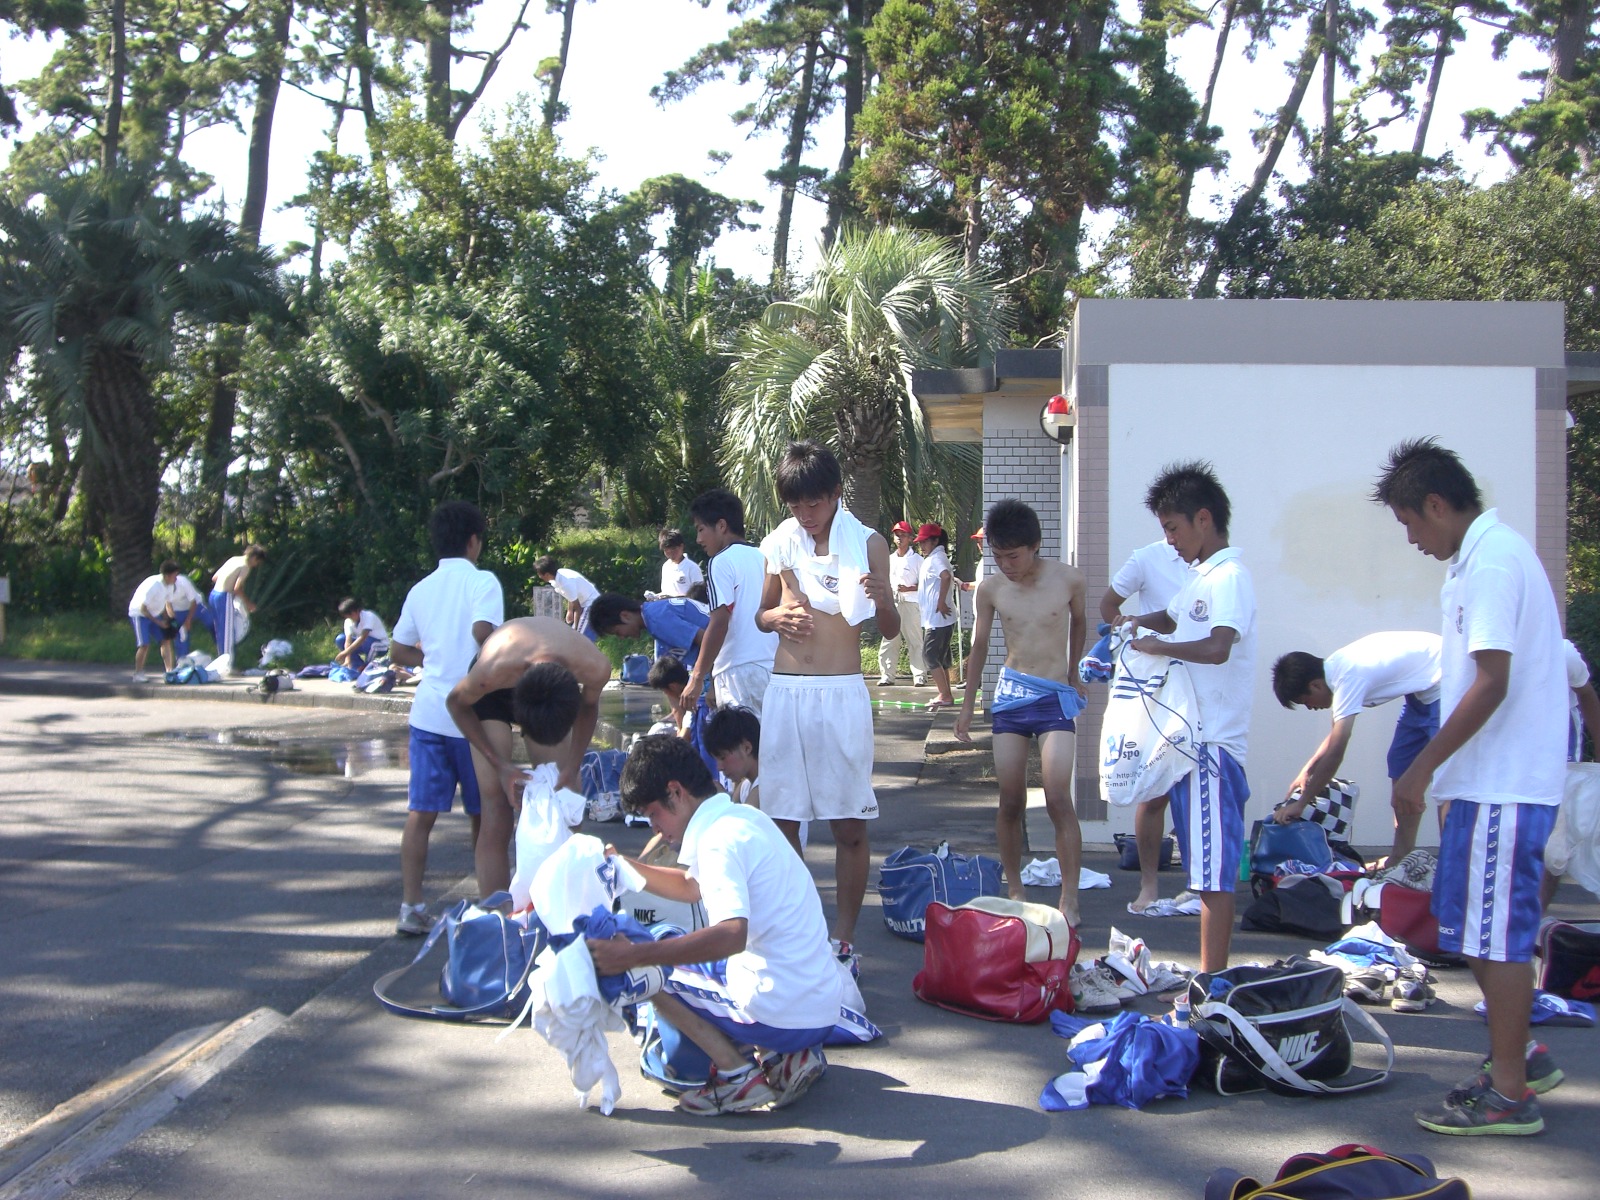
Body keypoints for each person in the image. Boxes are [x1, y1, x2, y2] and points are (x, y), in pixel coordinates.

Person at [1374, 437, 1566, 1137]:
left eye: (1410, 524)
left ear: (1435, 504)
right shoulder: (1484, 557)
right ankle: (1522, 1057)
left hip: (1505, 785)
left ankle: (1510, 1093)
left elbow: (1492, 680)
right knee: (1479, 934)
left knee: (1498, 940)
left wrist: (1423, 769)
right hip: (1489, 783)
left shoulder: (1491, 562)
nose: (1412, 540)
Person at [586, 735, 843, 1116]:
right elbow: (693, 888)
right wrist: (626, 866)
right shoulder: (742, 818)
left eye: (653, 813)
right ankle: (784, 1058)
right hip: (819, 1004)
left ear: (676, 792)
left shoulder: (719, 840)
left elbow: (731, 934)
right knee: (686, 951)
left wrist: (634, 955)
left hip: (788, 1011)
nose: (655, 827)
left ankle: (736, 1077)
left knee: (648, 967)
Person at [756, 440, 897, 962]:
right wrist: (774, 619)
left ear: (836, 494)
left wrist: (884, 600)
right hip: (786, 691)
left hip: (840, 693)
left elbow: (888, 627)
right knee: (783, 820)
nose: (805, 515)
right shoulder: (780, 542)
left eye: (813, 504)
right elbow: (761, 613)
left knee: (848, 823)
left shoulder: (869, 543)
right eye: (795, 506)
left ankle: (845, 939)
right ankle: (800, 930)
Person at [1118, 462, 1256, 975]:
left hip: (1212, 747)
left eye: (1172, 528)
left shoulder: (1231, 578)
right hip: (1190, 745)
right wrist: (1133, 623)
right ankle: (1209, 980)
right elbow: (1172, 616)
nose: (1169, 541)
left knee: (1214, 876)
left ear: (1203, 519)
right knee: (1203, 872)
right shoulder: (1203, 578)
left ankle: (1211, 984)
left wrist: (1159, 644)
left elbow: (1219, 646)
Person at [954, 500, 1088, 926]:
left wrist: (1074, 671)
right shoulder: (992, 588)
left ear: (1034, 546)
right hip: (1011, 696)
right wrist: (968, 704)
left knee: (1057, 796)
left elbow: (1080, 623)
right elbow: (978, 646)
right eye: (998, 555)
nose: (1006, 564)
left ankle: (1070, 897)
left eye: (1013, 555)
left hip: (1052, 696)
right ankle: (1015, 890)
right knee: (1009, 799)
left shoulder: (1068, 579)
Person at [387, 503, 505, 934]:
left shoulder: (421, 589)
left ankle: (411, 907)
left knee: (421, 814)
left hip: (428, 715)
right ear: (473, 541)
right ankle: (488, 908)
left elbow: (398, 651)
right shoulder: (482, 581)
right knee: (485, 815)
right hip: (473, 715)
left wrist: (432, 657)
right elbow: (483, 632)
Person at [444, 616, 613, 897]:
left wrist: (573, 764)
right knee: (496, 804)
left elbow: (589, 706)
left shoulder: (595, 666)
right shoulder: (490, 672)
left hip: (544, 682)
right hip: (492, 693)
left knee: (565, 794)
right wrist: (500, 766)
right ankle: (497, 914)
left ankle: (564, 903)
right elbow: (456, 704)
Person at [1271, 632, 1443, 863]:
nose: (1311, 708)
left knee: (1446, 779)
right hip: (1420, 695)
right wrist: (1308, 769)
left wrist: (1301, 804)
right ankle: (1401, 857)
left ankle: (1454, 863)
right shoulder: (1335, 670)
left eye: (1306, 701)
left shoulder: (1348, 677)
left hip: (1444, 683)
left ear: (1315, 684)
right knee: (1400, 767)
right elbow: (1335, 735)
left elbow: (1337, 750)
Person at [1101, 537, 1192, 913]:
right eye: (1167, 526)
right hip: (1155, 685)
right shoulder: (1146, 558)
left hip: (1200, 680)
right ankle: (1149, 885)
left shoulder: (1213, 566)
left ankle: (1196, 885)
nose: (1174, 536)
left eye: (1176, 526)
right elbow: (1109, 605)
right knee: (1153, 788)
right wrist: (1127, 633)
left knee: (1194, 790)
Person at [683, 488, 777, 717]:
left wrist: (697, 678)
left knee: (741, 749)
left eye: (701, 529)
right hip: (774, 669)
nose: (698, 539)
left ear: (722, 526)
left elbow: (720, 622)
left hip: (739, 674)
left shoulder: (720, 562)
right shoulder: (765, 557)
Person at [1540, 638, 1600, 908]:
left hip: (1560, 734)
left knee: (1555, 839)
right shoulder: (1487, 651)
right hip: (1517, 738)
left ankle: (1534, 921)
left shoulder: (1561, 651)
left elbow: (1586, 696)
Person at [588, 592, 710, 669]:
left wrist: (699, 678)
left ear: (625, 616)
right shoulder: (653, 613)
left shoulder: (657, 620)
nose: (621, 637)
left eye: (617, 632)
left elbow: (707, 640)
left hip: (726, 647)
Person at [646, 656, 721, 780]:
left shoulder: (695, 701)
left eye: (665, 691)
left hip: (711, 765)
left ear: (673, 686)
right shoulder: (699, 679)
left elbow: (684, 737)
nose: (666, 695)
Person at [914, 523, 957, 712]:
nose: (922, 546)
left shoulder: (936, 558)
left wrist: (940, 602)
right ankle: (946, 693)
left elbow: (946, 577)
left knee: (929, 656)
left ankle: (945, 694)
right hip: (938, 618)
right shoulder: (935, 557)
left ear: (935, 541)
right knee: (940, 658)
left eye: (925, 542)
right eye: (920, 542)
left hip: (937, 618)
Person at [877, 520, 926, 687]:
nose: (899, 538)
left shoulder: (918, 560)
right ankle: (887, 675)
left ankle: (919, 675)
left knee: (915, 641)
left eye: (903, 535)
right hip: (892, 604)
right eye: (897, 535)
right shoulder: (889, 559)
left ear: (910, 538)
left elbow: (926, 584)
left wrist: (909, 588)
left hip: (911, 603)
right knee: (889, 640)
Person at [209, 544, 265, 664]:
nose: (256, 565)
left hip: (214, 594)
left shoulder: (233, 559)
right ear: (254, 558)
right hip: (225, 596)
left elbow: (215, 577)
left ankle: (221, 662)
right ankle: (227, 665)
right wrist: (248, 603)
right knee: (228, 633)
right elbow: (237, 588)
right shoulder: (245, 566)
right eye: (258, 562)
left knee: (220, 630)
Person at [127, 560, 180, 681]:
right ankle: (138, 674)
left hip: (155, 613)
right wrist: (159, 622)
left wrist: (170, 621)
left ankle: (169, 671)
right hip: (139, 614)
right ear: (167, 576)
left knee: (165, 640)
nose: (176, 579)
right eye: (175, 576)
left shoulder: (170, 585)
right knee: (144, 644)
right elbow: (143, 609)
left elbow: (167, 603)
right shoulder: (154, 585)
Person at [703, 704, 761, 808]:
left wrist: (722, 798)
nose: (719, 767)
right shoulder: (745, 787)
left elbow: (742, 822)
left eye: (723, 757)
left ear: (746, 748)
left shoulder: (765, 787)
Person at [534, 556, 600, 642]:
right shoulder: (557, 577)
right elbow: (572, 596)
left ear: (546, 574)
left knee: (580, 639)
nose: (539, 576)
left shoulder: (565, 583)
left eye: (539, 574)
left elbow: (578, 609)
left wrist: (576, 629)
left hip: (591, 604)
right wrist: (569, 611)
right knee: (576, 639)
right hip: (584, 604)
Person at [334, 597, 390, 671]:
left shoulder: (369, 616)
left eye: (351, 615)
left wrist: (345, 652)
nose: (350, 618)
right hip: (364, 644)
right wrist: (347, 658)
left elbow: (363, 637)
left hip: (380, 645)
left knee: (367, 641)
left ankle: (368, 666)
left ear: (357, 611)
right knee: (340, 639)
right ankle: (357, 666)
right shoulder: (348, 621)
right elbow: (348, 641)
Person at [169, 568, 206, 660]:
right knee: (180, 634)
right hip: (178, 610)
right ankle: (182, 661)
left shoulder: (183, 582)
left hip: (197, 605)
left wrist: (188, 620)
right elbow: (168, 606)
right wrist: (175, 624)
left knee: (210, 622)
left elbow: (193, 603)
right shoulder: (163, 588)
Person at [659, 528, 705, 598]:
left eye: (673, 549)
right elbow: (664, 591)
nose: (671, 553)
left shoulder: (692, 568)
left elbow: (699, 595)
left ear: (681, 546)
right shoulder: (666, 566)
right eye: (666, 551)